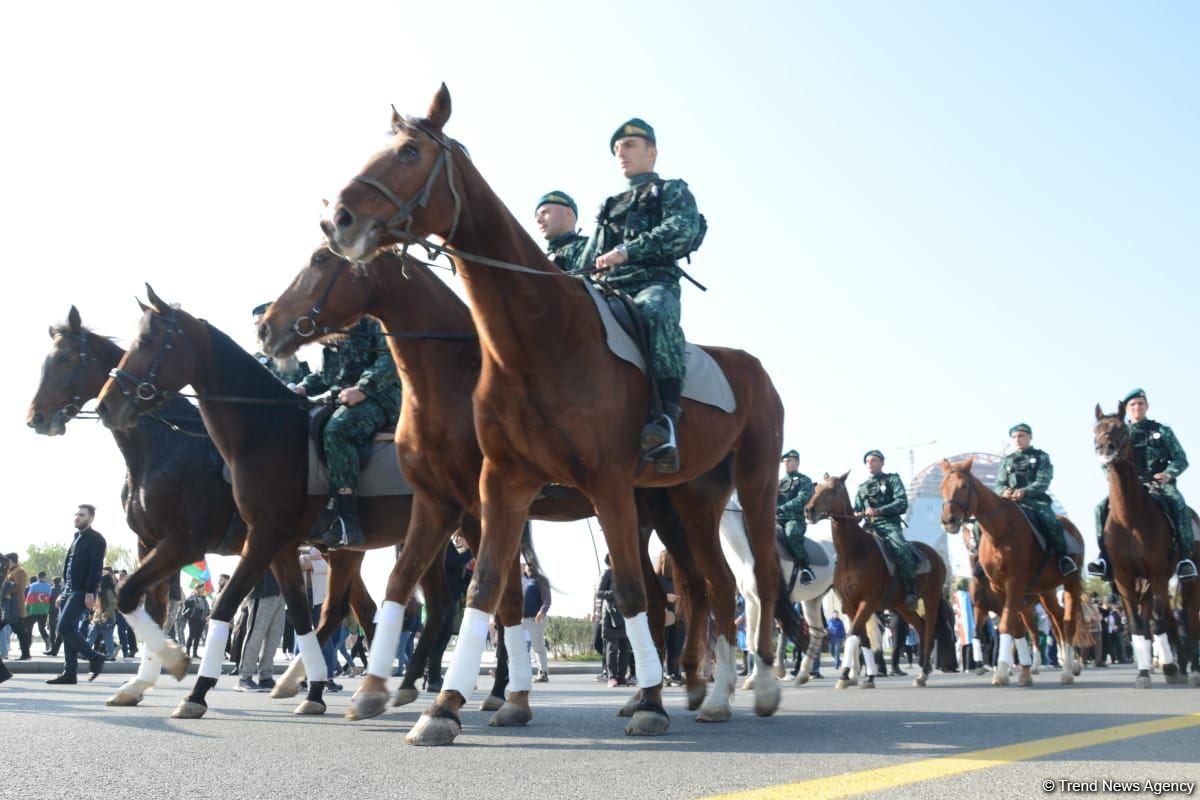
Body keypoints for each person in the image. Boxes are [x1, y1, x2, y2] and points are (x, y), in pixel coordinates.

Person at [577, 118, 705, 474]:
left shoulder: (672, 190)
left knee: (655, 313)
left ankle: (665, 422)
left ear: (652, 152)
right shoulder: (608, 204)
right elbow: (587, 259)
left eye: (630, 145)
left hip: (652, 283)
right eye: (618, 149)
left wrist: (628, 251)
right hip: (608, 288)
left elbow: (681, 230)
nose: (622, 153)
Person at [295, 316, 400, 548]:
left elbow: (390, 359)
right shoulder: (331, 333)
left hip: (382, 396)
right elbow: (325, 376)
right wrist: (301, 387)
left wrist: (364, 388)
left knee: (337, 430)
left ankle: (347, 521)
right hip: (341, 398)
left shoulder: (373, 322)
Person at [1089, 388, 1196, 581]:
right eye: (1132, 405)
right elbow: (1107, 460)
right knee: (1099, 509)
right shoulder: (1119, 431)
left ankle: (1185, 559)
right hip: (1129, 487)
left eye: (1140, 403)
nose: (1137, 407)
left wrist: (1168, 474)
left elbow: (1181, 459)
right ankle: (1104, 558)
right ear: (1127, 409)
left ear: (1146, 406)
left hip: (1159, 485)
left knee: (1178, 503)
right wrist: (1115, 481)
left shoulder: (1161, 430)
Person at [991, 423, 1077, 576]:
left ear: (1030, 437)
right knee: (981, 523)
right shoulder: (1008, 460)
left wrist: (1025, 491)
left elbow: (1043, 481)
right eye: (1014, 437)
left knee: (1050, 521)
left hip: (1036, 501)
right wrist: (1004, 491)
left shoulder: (1041, 456)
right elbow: (999, 483)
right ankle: (981, 560)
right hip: (1010, 502)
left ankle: (1063, 558)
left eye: (1021, 436)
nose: (1018, 439)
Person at [47, 504, 107, 684]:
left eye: (81, 515)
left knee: (63, 627)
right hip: (68, 590)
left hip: (81, 590)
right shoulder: (76, 538)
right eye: (76, 514)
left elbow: (96, 568)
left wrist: (90, 592)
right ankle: (70, 673)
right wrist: (62, 592)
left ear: (91, 518)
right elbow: (69, 566)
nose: (77, 517)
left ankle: (95, 657)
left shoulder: (96, 539)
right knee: (67, 630)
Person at [854, 450, 918, 609]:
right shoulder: (862, 488)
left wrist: (879, 510)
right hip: (869, 527)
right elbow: (856, 510)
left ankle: (911, 590)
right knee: (840, 556)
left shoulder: (892, 480)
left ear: (882, 463)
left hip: (889, 525)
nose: (870, 463)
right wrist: (855, 515)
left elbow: (902, 503)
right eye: (867, 461)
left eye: (874, 460)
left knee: (901, 548)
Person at [236, 570, 285, 692]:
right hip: (262, 589)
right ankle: (244, 677)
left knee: (273, 638)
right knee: (256, 634)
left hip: (280, 592)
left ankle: (266, 677)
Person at [777, 449, 816, 586]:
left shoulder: (804, 480)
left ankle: (805, 568)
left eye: (789, 461)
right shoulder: (778, 483)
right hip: (776, 520)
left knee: (791, 533)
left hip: (794, 520)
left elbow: (802, 499)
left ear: (797, 462)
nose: (786, 464)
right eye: (784, 461)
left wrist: (782, 508)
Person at [252, 302, 310, 387]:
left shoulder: (297, 361)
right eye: (256, 324)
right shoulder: (252, 362)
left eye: (263, 322)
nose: (259, 328)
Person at [596, 554, 631, 686]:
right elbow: (599, 592)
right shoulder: (608, 573)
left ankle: (622, 677)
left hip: (626, 614)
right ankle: (612, 677)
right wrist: (615, 593)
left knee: (625, 648)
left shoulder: (628, 573)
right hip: (611, 616)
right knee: (612, 648)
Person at [535, 191, 589, 270]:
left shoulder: (590, 247)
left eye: (544, 212)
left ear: (568, 214)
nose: (538, 220)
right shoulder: (540, 260)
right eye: (537, 216)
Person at [521, 558, 552, 683]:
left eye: (531, 565)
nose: (529, 567)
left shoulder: (541, 580)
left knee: (538, 646)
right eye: (527, 565)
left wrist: (542, 611)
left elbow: (547, 599)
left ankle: (543, 673)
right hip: (523, 619)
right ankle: (520, 672)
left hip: (536, 619)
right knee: (519, 646)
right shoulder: (525, 580)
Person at [85, 566, 118, 660]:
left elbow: (112, 604)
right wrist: (92, 614)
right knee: (92, 635)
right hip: (99, 618)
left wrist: (105, 616)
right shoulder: (101, 591)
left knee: (106, 637)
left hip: (106, 618)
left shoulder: (108, 591)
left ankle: (111, 654)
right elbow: (97, 605)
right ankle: (85, 652)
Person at [4, 553, 31, 660]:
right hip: (9, 606)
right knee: (20, 631)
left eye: (7, 561)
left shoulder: (19, 571)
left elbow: (19, 587)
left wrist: (5, 591)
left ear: (11, 560)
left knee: (20, 632)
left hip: (16, 606)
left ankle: (26, 654)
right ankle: (25, 654)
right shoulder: (10, 571)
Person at [25, 571, 52, 650]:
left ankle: (28, 644)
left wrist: (27, 609)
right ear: (45, 577)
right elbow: (50, 598)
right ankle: (47, 640)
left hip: (33, 610)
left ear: (38, 577)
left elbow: (29, 598)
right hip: (44, 610)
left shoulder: (33, 585)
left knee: (29, 627)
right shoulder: (48, 586)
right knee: (41, 628)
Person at [182, 582, 210, 659]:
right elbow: (187, 604)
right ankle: (187, 652)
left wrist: (208, 616)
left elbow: (207, 610)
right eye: (202, 588)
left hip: (201, 620)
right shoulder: (193, 597)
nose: (204, 589)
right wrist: (195, 601)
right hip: (193, 619)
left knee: (198, 636)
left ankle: (195, 653)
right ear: (197, 588)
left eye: (204, 588)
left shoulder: (204, 599)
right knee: (191, 635)